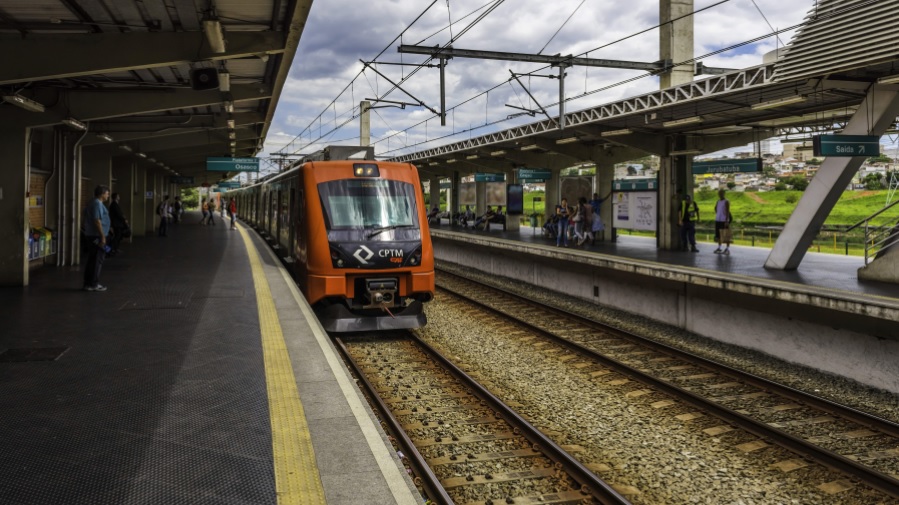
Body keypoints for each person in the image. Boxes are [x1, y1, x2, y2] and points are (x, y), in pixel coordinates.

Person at [82, 185, 111, 292]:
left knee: (92, 259)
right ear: (102, 194)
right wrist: (102, 236)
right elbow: (97, 221)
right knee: (97, 260)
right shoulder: (97, 204)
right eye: (107, 193)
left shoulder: (93, 202)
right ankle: (93, 284)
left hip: (92, 235)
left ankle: (88, 283)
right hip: (96, 236)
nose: (108, 195)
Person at [713, 189, 732, 255]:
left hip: (724, 220)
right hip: (718, 220)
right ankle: (719, 247)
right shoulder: (718, 201)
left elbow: (727, 211)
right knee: (718, 235)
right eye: (719, 193)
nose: (720, 195)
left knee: (726, 235)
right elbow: (715, 208)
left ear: (724, 193)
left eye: (721, 193)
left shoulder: (726, 201)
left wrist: (726, 220)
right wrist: (718, 214)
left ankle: (727, 249)